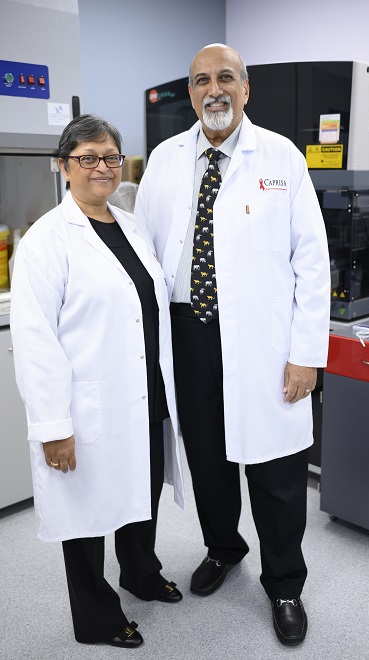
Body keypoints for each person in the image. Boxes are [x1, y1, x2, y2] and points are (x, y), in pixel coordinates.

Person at [134, 44, 330, 647]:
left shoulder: (281, 157)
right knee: (210, 461)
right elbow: (144, 251)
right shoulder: (166, 161)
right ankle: (223, 548)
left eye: (225, 78)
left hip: (267, 344)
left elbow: (313, 262)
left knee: (275, 470)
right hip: (189, 336)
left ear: (246, 89)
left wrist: (306, 354)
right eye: (201, 81)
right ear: (190, 94)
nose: (213, 90)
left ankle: (285, 584)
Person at [10, 114, 184, 649]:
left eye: (109, 156)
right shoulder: (45, 242)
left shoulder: (130, 226)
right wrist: (53, 427)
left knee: (142, 490)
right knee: (84, 516)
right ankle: (96, 617)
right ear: (64, 167)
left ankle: (140, 571)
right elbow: (37, 345)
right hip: (85, 407)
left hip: (144, 395)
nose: (101, 167)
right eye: (87, 158)